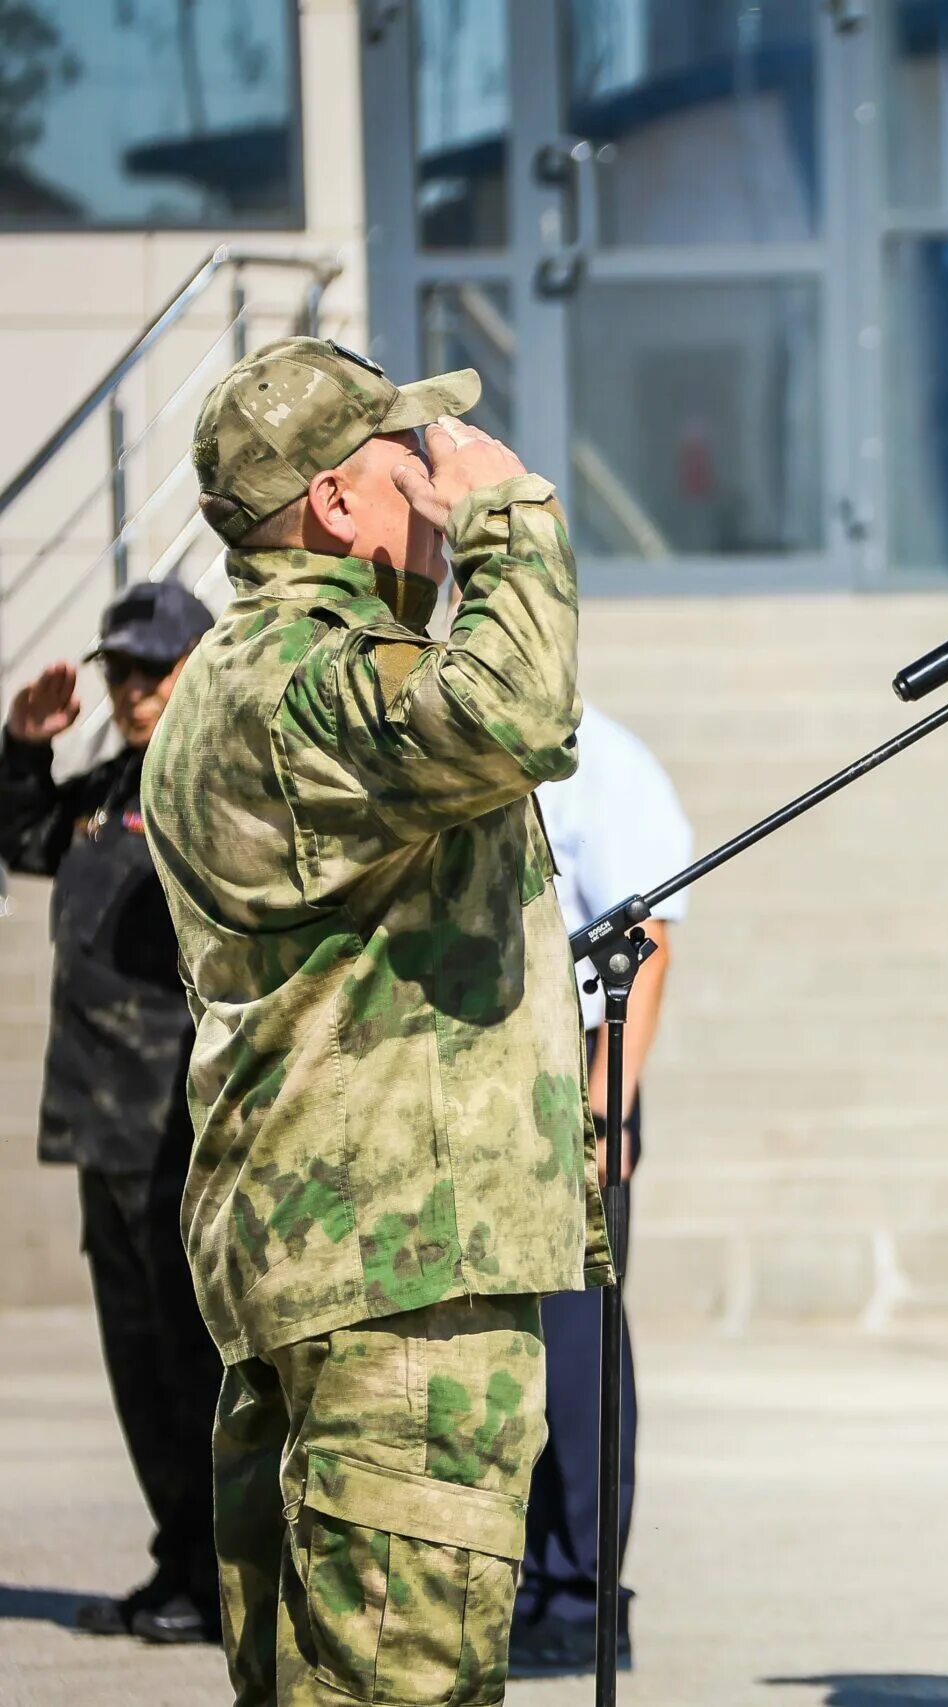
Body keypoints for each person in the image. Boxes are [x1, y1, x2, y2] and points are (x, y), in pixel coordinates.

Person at [141, 336, 604, 1705]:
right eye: (410, 454)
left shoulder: (233, 680)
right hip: (397, 1272)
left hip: (322, 1251)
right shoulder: (307, 674)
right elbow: (515, 708)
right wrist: (512, 517)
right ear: (338, 504)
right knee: (404, 1680)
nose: (438, 472)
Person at [1, 580, 223, 1646]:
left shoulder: (218, 783)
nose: (134, 692)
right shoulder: (114, 785)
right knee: (138, 1364)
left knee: (189, 1359)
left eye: (154, 671)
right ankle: (179, 1557)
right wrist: (21, 749)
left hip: (175, 1124)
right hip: (102, 1124)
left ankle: (221, 1570)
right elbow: (30, 837)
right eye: (121, 675)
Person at [512, 704, 693, 1677]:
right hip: (488, 1065)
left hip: (574, 1068)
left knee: (576, 1347)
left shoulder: (605, 760)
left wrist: (607, 1109)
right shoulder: (471, 732)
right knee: (517, 1342)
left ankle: (585, 1595)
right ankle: (537, 1578)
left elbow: (646, 934)